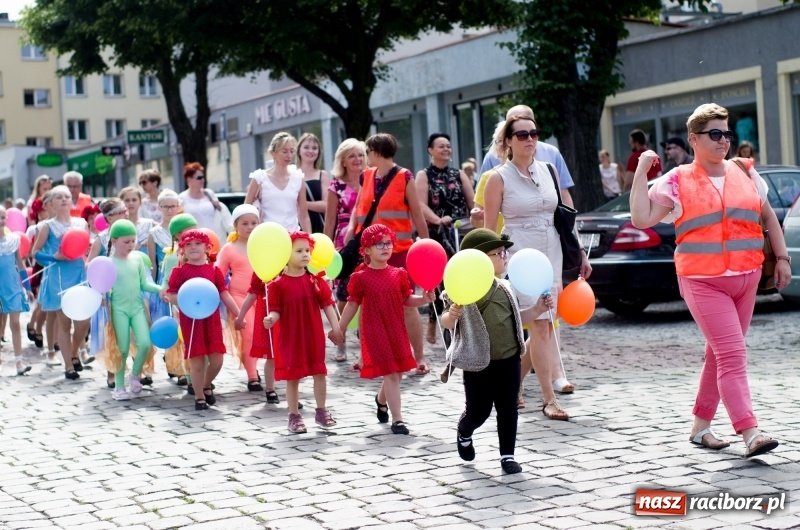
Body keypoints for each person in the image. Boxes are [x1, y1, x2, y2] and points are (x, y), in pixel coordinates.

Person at [630, 103, 790, 459]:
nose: (723, 141)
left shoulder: (745, 171)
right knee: (732, 354)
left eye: (727, 133)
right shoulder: (677, 180)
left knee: (718, 356)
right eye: (714, 134)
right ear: (693, 138)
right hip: (703, 281)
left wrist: (782, 258)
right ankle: (751, 431)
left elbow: (768, 217)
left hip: (747, 278)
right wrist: (642, 168)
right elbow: (641, 218)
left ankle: (700, 427)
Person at [483, 114, 592, 420]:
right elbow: (490, 230)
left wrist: (580, 251)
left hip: (553, 251)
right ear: (507, 142)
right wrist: (493, 265)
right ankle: (548, 399)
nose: (530, 139)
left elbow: (563, 216)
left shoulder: (548, 169)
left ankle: (512, 386)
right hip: (521, 256)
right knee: (541, 325)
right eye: (522, 135)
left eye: (534, 133)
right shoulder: (498, 178)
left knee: (544, 323)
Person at [441, 228, 553, 474]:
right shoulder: (463, 289)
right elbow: (446, 320)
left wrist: (536, 310)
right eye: (498, 253)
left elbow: (516, 318)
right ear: (479, 258)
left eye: (505, 252)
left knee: (508, 408)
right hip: (478, 362)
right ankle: (465, 430)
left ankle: (507, 456)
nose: (504, 257)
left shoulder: (506, 287)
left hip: (509, 358)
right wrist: (452, 315)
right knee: (478, 411)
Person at [344, 133, 431, 375]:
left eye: (368, 151)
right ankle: (366, 356)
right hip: (370, 252)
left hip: (399, 252)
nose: (365, 156)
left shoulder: (405, 177)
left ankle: (419, 357)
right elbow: (359, 208)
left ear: (377, 152)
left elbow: (416, 212)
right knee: (368, 305)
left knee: (407, 304)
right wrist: (351, 230)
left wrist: (426, 243)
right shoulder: (366, 176)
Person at [338, 224, 436, 435]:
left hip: (396, 328)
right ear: (367, 250)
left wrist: (423, 299)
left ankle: (380, 400)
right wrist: (340, 328)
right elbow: (352, 304)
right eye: (378, 244)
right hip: (374, 331)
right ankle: (398, 419)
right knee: (391, 373)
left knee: (398, 372)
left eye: (388, 243)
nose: (385, 247)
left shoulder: (398, 274)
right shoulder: (360, 277)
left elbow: (406, 300)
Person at [259, 231, 344, 433]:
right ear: (285, 255)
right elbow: (276, 310)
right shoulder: (278, 285)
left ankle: (321, 410)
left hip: (312, 335)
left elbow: (328, 305)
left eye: (307, 250)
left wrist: (336, 327)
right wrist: (271, 319)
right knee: (293, 377)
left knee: (319, 372)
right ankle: (294, 416)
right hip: (290, 337)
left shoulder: (315, 280)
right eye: (299, 251)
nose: (305, 254)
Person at [164, 229, 241, 410]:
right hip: (191, 321)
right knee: (197, 360)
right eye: (188, 244)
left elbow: (224, 294)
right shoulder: (179, 272)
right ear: (182, 250)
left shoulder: (214, 271)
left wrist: (239, 313)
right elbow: (172, 295)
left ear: (207, 248)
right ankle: (199, 397)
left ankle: (206, 384)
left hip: (211, 320)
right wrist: (184, 301)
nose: (193, 247)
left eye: (197, 243)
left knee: (217, 360)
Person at [415, 132, 475, 344]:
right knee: (439, 281)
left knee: (460, 279)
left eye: (448, 146)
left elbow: (472, 203)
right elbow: (420, 205)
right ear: (430, 150)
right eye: (441, 146)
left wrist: (476, 215)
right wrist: (438, 220)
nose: (446, 150)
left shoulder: (458, 174)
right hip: (437, 235)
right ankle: (434, 321)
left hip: (460, 233)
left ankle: (462, 324)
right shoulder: (423, 175)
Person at [31, 185, 91, 380]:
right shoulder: (47, 226)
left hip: (79, 277)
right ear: (52, 204)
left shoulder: (81, 223)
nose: (64, 199)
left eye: (67, 196)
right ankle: (68, 367)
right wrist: (54, 257)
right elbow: (35, 254)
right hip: (58, 279)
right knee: (64, 324)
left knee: (83, 322)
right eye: (59, 197)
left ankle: (73, 352)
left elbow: (85, 247)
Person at [101, 220, 163, 400]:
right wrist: (101, 298)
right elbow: (101, 286)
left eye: (133, 241)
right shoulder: (108, 262)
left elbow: (144, 284)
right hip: (118, 309)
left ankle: (135, 374)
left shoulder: (137, 259)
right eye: (126, 242)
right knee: (122, 349)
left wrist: (161, 290)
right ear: (114, 241)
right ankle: (119, 387)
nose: (130, 245)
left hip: (136, 308)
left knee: (144, 343)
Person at [323, 138, 365, 363]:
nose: (357, 159)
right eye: (352, 156)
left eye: (360, 155)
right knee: (344, 294)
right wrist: (327, 251)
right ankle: (340, 339)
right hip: (343, 243)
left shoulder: (371, 180)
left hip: (366, 240)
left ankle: (365, 341)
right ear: (343, 161)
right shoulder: (335, 186)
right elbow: (329, 221)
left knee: (366, 291)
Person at [218, 204, 262, 391]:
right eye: (245, 223)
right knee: (250, 334)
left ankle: (263, 367)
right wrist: (225, 296)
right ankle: (252, 376)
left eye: (254, 223)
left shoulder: (265, 245)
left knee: (265, 335)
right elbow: (218, 274)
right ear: (236, 225)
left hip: (262, 296)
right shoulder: (229, 248)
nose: (250, 227)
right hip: (239, 297)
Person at [87, 198, 130, 388]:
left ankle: (134, 369)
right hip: (109, 292)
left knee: (131, 330)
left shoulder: (130, 233)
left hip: (128, 287)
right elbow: (90, 265)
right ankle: (112, 370)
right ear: (110, 217)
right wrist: (98, 292)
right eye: (122, 212)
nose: (126, 214)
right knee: (112, 331)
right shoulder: (101, 239)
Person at [245, 132, 312, 233]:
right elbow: (246, 210)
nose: (289, 155)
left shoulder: (298, 178)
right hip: (267, 236)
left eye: (292, 151)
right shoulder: (259, 178)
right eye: (284, 151)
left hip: (292, 235)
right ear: (273, 153)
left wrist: (308, 240)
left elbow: (303, 215)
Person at [0, 207, 33, 376]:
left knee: (14, 323)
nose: (0, 220)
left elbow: (21, 265)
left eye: (2, 217)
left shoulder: (13, 241)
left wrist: (27, 288)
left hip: (12, 286)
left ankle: (19, 361)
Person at [147, 190, 181, 321]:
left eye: (173, 206)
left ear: (178, 207)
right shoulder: (154, 232)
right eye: (166, 206)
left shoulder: (184, 228)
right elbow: (153, 263)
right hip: (164, 276)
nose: (169, 210)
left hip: (182, 273)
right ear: (159, 207)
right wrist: (155, 287)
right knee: (166, 314)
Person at [179, 163, 233, 242]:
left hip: (215, 237)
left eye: (203, 177)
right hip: (195, 240)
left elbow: (220, 212)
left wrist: (219, 206)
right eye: (199, 178)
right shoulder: (182, 198)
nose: (202, 180)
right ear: (189, 179)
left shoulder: (209, 193)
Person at [297, 133, 329, 234]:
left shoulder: (322, 175)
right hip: (296, 226)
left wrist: (303, 204)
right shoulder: (291, 174)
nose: (310, 151)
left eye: (314, 148)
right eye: (306, 147)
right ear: (299, 151)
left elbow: (326, 205)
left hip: (319, 225)